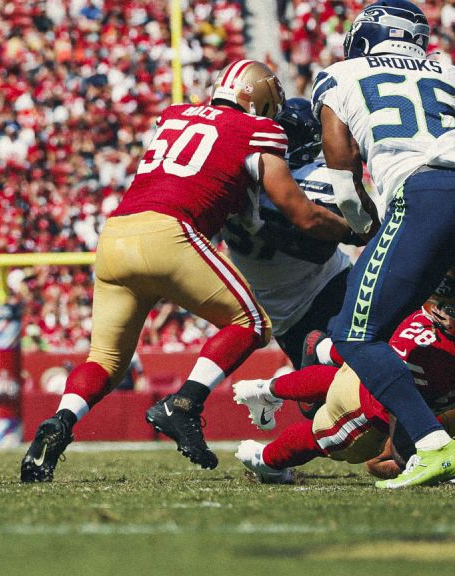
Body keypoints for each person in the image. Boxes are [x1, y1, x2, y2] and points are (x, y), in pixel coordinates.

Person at [20, 59, 351, 482]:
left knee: (103, 359)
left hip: (115, 235)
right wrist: (351, 230)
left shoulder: (174, 115)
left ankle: (60, 424)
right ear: (263, 100)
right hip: (170, 233)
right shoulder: (259, 129)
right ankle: (185, 403)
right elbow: (298, 212)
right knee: (251, 323)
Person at [314, 0, 455, 488]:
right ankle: (415, 443)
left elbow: (341, 160)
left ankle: (433, 445)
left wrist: (362, 223)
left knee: (356, 334)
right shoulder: (447, 70)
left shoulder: (342, 74)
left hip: (429, 191)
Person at [232, 275, 455, 483]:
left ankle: (266, 388)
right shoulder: (442, 362)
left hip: (361, 368)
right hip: (367, 410)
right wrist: (417, 461)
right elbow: (390, 453)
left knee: (339, 376)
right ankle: (265, 460)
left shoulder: (419, 314)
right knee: (319, 438)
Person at [220, 98, 356, 366]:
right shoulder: (249, 170)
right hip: (283, 312)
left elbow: (321, 250)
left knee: (352, 380)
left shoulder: (233, 172)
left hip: (325, 290)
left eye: (287, 132)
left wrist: (262, 229)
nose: (281, 138)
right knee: (320, 396)